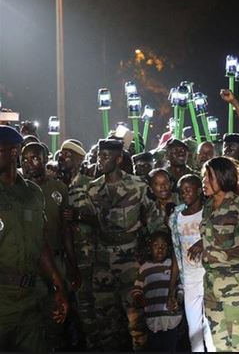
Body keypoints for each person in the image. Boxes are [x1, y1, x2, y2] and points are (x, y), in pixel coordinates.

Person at [78, 138, 166, 350]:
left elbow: (155, 221)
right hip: (102, 260)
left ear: (118, 159)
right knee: (106, 319)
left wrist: (157, 256)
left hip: (131, 260)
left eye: (106, 156)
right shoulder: (92, 189)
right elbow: (86, 230)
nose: (101, 160)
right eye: (100, 156)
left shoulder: (137, 186)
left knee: (136, 319)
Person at [0, 125, 68, 351]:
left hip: (30, 299)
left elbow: (41, 243)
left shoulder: (33, 193)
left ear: (13, 152)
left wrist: (58, 286)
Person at [189, 156, 239, 351]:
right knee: (220, 343)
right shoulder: (207, 206)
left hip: (234, 284)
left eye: (209, 177)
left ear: (223, 177)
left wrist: (238, 257)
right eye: (204, 176)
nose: (204, 181)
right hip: (211, 281)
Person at [21, 142, 76, 350]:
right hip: (27, 265)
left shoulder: (59, 188)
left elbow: (65, 229)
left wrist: (72, 265)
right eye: (24, 159)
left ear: (45, 159)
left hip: (56, 260)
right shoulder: (15, 189)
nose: (28, 164)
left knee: (56, 319)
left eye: (34, 158)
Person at [58, 139, 99, 349]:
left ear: (78, 160)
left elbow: (102, 220)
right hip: (62, 259)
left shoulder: (89, 185)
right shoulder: (56, 185)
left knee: (87, 312)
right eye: (60, 154)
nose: (61, 157)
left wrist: (78, 216)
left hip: (87, 259)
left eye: (67, 155)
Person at [168, 174, 215, 352]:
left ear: (199, 190)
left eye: (189, 189)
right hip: (189, 278)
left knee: (210, 325)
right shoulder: (176, 218)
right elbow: (175, 252)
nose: (185, 193)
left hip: (209, 274)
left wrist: (204, 242)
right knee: (193, 329)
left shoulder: (209, 212)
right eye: (181, 191)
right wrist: (172, 287)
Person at [132, 231, 183, 352]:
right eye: (156, 245)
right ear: (150, 248)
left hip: (171, 317)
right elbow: (137, 289)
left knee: (170, 347)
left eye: (163, 246)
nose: (160, 249)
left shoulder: (172, 265)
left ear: (168, 248)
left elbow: (181, 285)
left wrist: (179, 299)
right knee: (155, 347)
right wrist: (139, 298)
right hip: (152, 318)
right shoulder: (144, 268)